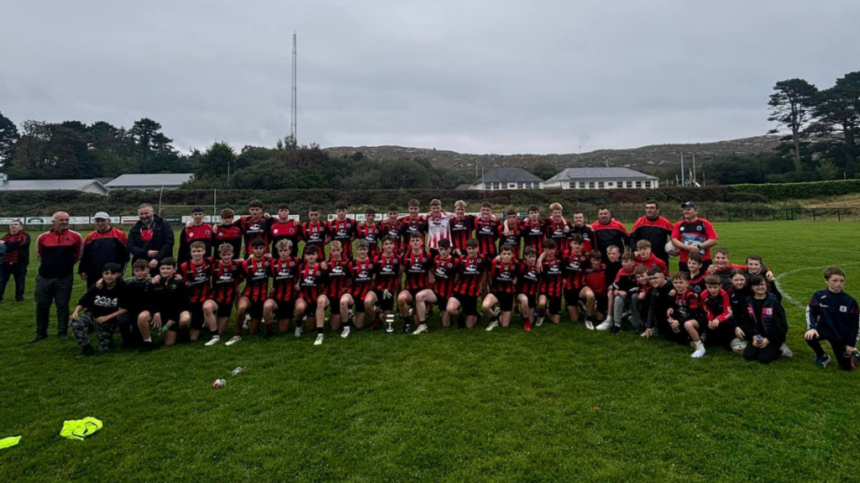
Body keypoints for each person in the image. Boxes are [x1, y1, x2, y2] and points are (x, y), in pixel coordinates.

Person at [32, 211, 83, 343]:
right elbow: (39, 255)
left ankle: (62, 332)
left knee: (62, 305)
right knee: (42, 305)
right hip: (45, 277)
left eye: (66, 220)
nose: (64, 222)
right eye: (61, 220)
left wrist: (65, 266)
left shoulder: (76, 236)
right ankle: (41, 332)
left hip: (64, 277)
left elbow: (78, 254)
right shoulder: (43, 237)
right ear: (53, 222)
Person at [805, 267, 860, 370]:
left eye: (841, 281)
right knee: (810, 336)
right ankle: (822, 356)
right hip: (824, 329)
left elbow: (855, 325)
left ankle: (855, 354)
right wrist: (812, 327)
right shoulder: (819, 296)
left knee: (847, 368)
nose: (838, 283)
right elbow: (811, 312)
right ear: (826, 281)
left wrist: (850, 344)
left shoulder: (850, 301)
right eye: (834, 281)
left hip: (840, 334)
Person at [70, 263, 127, 358]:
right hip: (93, 315)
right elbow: (83, 301)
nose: (109, 276)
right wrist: (76, 312)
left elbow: (126, 307)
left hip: (108, 320)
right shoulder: (97, 286)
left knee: (104, 348)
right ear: (102, 274)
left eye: (112, 273)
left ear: (118, 274)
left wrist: (106, 317)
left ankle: (107, 338)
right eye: (106, 273)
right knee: (74, 323)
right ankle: (86, 348)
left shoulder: (122, 288)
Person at [137, 258, 190, 352]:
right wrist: (156, 312)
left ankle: (181, 332)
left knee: (169, 343)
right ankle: (148, 342)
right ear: (159, 270)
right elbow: (148, 301)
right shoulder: (153, 282)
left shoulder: (180, 283)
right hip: (158, 313)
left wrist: (173, 319)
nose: (165, 271)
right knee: (142, 316)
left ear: (174, 270)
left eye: (168, 268)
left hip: (173, 314)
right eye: (163, 268)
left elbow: (182, 303)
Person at [226, 239, 272, 345]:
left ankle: (248, 320)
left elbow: (277, 275)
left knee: (253, 332)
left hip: (262, 297)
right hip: (248, 295)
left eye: (261, 248)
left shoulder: (269, 262)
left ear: (264, 249)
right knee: (241, 308)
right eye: (256, 248)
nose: (259, 251)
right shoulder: (245, 263)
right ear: (252, 249)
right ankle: (237, 334)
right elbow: (238, 279)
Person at [737, 273, 788, 364]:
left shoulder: (773, 301)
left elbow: (781, 325)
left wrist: (769, 339)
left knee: (764, 359)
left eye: (762, 284)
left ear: (766, 285)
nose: (760, 287)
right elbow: (745, 322)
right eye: (756, 285)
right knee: (749, 356)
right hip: (757, 336)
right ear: (751, 287)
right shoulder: (748, 302)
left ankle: (781, 350)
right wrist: (752, 336)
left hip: (772, 336)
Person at [415, 239, 459, 330]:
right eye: (441, 249)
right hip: (436, 292)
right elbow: (431, 270)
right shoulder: (435, 259)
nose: (443, 252)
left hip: (448, 296)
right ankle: (422, 324)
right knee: (419, 296)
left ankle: (456, 314)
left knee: (445, 325)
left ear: (450, 249)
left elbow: (459, 276)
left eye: (446, 249)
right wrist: (432, 277)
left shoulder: (456, 261)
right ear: (438, 250)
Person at [205, 243, 244, 346]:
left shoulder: (237, 265)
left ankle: (214, 329)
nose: (226, 257)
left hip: (227, 302)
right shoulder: (214, 265)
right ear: (219, 255)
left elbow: (244, 274)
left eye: (228, 254)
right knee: (207, 307)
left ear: (232, 254)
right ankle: (214, 334)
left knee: (221, 331)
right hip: (215, 299)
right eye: (224, 254)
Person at [178, 241, 216, 343]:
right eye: (194, 251)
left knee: (193, 338)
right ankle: (180, 330)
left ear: (204, 251)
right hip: (189, 299)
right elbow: (175, 277)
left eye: (199, 251)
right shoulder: (184, 266)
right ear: (190, 252)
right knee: (183, 321)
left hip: (204, 298)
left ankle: (201, 323)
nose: (196, 254)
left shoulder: (210, 261)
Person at [79, 212, 129, 289]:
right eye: (97, 221)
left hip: (112, 272)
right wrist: (82, 269)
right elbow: (85, 255)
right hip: (94, 273)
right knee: (93, 296)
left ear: (109, 221)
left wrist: (120, 270)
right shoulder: (90, 236)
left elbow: (125, 255)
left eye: (102, 220)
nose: (100, 223)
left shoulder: (119, 234)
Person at [263, 239, 300, 338]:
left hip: (289, 299)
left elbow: (308, 269)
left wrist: (300, 285)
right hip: (276, 297)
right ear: (277, 251)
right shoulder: (273, 262)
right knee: (267, 306)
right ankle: (269, 333)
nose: (283, 253)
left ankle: (287, 317)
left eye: (285, 250)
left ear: (290, 250)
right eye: (280, 251)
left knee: (283, 330)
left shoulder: (296, 261)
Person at [447, 239, 487, 329]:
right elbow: (455, 271)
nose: (471, 251)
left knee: (469, 326)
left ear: (477, 248)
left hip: (472, 294)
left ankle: (475, 314)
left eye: (473, 248)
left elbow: (490, 266)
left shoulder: (482, 259)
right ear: (466, 249)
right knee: (450, 309)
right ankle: (460, 316)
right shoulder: (462, 259)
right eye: (469, 249)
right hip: (459, 291)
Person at [667, 272, 709, 358]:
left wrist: (679, 321)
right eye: (675, 283)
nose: (678, 285)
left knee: (687, 324)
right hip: (685, 317)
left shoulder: (690, 295)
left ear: (687, 283)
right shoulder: (675, 293)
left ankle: (701, 348)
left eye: (681, 282)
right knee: (675, 336)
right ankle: (695, 338)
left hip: (698, 319)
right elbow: (676, 305)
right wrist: (670, 308)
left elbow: (693, 313)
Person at [398, 233, 433, 334]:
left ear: (422, 241)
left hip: (423, 290)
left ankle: (415, 311)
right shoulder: (405, 256)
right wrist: (400, 288)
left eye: (417, 240)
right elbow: (399, 274)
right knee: (401, 298)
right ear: (409, 243)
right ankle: (407, 324)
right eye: (413, 241)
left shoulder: (428, 256)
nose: (415, 242)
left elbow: (433, 272)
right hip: (409, 289)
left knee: (417, 321)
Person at [671, 202, 718, 274]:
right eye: (684, 209)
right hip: (685, 260)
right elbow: (674, 239)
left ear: (696, 211)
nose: (686, 211)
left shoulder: (704, 223)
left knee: (706, 282)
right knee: (685, 282)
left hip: (703, 260)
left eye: (689, 209)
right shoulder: (679, 224)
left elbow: (714, 239)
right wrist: (688, 248)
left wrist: (699, 247)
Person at [365, 236, 401, 330]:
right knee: (367, 302)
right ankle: (374, 322)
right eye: (386, 244)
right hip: (377, 289)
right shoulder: (376, 259)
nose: (388, 246)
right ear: (383, 246)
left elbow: (400, 275)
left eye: (390, 243)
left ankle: (379, 312)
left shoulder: (399, 259)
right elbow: (371, 274)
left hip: (389, 291)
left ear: (394, 245)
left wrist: (395, 288)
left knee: (387, 322)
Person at [316, 240, 350, 339]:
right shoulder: (325, 264)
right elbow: (319, 280)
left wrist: (346, 288)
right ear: (330, 251)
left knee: (335, 327)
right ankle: (320, 333)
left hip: (340, 295)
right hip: (328, 294)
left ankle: (346, 316)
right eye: (333, 250)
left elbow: (351, 279)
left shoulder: (346, 264)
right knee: (321, 302)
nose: (335, 253)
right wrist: (323, 270)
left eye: (338, 250)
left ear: (342, 250)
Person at [294, 245, 327, 346]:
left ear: (317, 255)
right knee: (299, 308)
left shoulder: (322, 268)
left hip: (316, 298)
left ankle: (316, 326)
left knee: (310, 328)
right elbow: (296, 280)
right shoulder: (301, 267)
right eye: (308, 254)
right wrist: (297, 286)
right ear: (304, 256)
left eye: (313, 254)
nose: (310, 257)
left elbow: (326, 283)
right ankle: (298, 326)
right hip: (304, 296)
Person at [128, 204, 174, 274]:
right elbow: (130, 246)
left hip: (162, 262)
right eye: (141, 214)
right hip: (140, 264)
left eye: (146, 213)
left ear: (152, 212)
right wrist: (146, 253)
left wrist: (157, 258)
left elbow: (169, 243)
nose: (144, 216)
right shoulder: (135, 228)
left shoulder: (163, 224)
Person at [342, 240, 376, 331]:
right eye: (360, 249)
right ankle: (348, 319)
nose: (362, 252)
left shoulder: (373, 263)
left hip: (366, 293)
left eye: (364, 249)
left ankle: (352, 314)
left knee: (359, 326)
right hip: (354, 293)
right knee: (344, 301)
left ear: (367, 250)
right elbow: (347, 279)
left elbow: (375, 276)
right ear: (356, 250)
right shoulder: (351, 264)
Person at [599, 252, 638, 333]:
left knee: (634, 297)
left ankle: (635, 319)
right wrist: (615, 290)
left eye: (626, 262)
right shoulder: (621, 271)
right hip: (624, 295)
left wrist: (627, 292)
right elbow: (615, 284)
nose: (623, 264)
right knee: (618, 298)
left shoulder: (637, 270)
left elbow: (639, 287)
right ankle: (617, 325)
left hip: (634, 294)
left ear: (633, 262)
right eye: (622, 262)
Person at [482, 244, 518, 331]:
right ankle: (493, 319)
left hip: (508, 294)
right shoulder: (494, 263)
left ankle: (498, 313)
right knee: (485, 306)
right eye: (504, 254)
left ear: (512, 255)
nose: (506, 256)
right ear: (500, 255)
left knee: (505, 325)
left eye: (509, 254)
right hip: (496, 292)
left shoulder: (516, 264)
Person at [630, 201, 674, 265]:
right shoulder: (639, 222)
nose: (649, 210)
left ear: (657, 210)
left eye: (652, 208)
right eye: (647, 208)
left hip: (660, 256)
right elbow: (632, 238)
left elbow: (674, 236)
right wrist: (634, 250)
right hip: (643, 256)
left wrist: (674, 248)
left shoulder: (665, 222)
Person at [119, 259, 150, 349]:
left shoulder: (152, 281)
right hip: (129, 308)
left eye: (142, 270)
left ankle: (139, 339)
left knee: (137, 323)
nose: (139, 273)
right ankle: (126, 341)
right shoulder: (128, 282)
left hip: (144, 309)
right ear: (133, 271)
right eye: (136, 271)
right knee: (123, 320)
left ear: (148, 270)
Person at [700, 274, 734, 350]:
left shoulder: (724, 294)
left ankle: (727, 340)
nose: (712, 290)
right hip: (712, 316)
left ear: (720, 286)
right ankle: (706, 336)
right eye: (710, 287)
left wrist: (718, 319)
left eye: (715, 287)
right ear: (706, 285)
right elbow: (707, 309)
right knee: (709, 342)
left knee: (728, 324)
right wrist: (710, 320)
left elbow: (728, 311)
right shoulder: (703, 295)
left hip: (723, 317)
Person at [0, 220, 30, 303]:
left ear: (21, 227)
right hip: (5, 263)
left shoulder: (25, 236)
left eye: (16, 224)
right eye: (11, 225)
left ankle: (19, 297)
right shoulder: (5, 236)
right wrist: (9, 246)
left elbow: (21, 244)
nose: (13, 226)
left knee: (20, 281)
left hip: (20, 263)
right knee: (1, 280)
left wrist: (6, 244)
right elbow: (3, 249)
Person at [642, 268, 675, 340]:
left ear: (663, 277)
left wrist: (676, 291)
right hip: (664, 316)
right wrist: (648, 326)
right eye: (650, 279)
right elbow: (652, 308)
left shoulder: (673, 284)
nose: (653, 281)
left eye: (655, 278)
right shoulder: (654, 292)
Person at [537, 239, 564, 326]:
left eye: (553, 249)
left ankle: (547, 311)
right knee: (541, 303)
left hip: (556, 291)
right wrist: (540, 259)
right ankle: (541, 315)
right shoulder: (541, 263)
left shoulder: (560, 260)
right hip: (544, 289)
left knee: (556, 321)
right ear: (544, 249)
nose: (552, 251)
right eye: (549, 249)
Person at [516, 246, 541, 331]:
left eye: (533, 256)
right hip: (521, 293)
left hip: (532, 296)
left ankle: (524, 314)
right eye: (529, 257)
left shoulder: (538, 268)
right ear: (525, 257)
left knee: (532, 321)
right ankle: (525, 321)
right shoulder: (520, 265)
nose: (532, 259)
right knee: (524, 300)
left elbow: (538, 285)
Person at [583, 251, 608, 325]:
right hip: (591, 293)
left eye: (598, 260)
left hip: (602, 295)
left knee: (600, 318)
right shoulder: (586, 269)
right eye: (594, 260)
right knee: (590, 296)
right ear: (590, 260)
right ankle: (588, 316)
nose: (596, 262)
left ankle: (597, 307)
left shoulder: (605, 267)